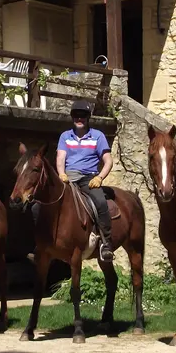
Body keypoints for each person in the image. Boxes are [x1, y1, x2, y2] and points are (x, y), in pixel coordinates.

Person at [57, 100, 114, 262]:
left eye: (82, 116)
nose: (79, 119)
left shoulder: (98, 136)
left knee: (101, 203)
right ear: (72, 117)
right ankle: (42, 244)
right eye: (76, 115)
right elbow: (60, 157)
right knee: (43, 203)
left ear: (88, 117)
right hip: (68, 178)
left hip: (89, 178)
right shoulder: (65, 136)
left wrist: (99, 177)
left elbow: (108, 160)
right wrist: (61, 174)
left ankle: (106, 244)